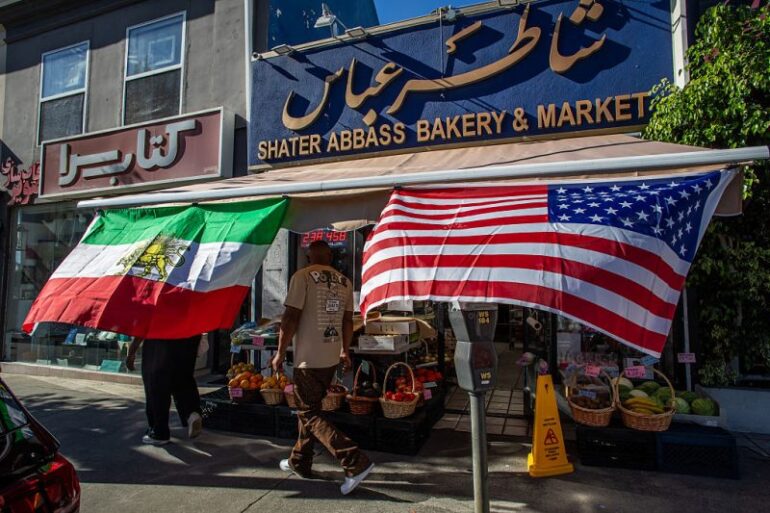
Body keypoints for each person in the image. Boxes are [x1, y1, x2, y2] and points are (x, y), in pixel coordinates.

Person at [272, 240, 374, 495]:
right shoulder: (344, 281)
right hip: (329, 357)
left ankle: (354, 461)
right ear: (331, 257)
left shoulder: (301, 277)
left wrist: (280, 351)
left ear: (308, 256)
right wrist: (344, 350)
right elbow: (348, 322)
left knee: (308, 413)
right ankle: (300, 461)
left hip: (308, 359)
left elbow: (291, 317)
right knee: (311, 409)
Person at [126, 335, 203, 445]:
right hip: (188, 337)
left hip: (159, 339)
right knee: (183, 377)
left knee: (156, 384)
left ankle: (159, 431)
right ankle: (192, 412)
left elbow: (144, 326)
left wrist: (132, 351)